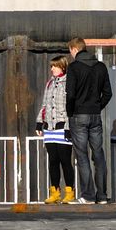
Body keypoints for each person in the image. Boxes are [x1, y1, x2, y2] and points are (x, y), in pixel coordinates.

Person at [65, 38, 112, 204]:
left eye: (70, 51)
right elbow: (108, 93)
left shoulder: (74, 67)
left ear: (74, 49)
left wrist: (70, 113)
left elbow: (70, 94)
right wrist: (97, 107)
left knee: (82, 155)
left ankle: (88, 195)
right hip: (95, 115)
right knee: (98, 154)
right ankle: (102, 196)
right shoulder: (101, 67)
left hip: (78, 115)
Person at [35, 55, 75, 204]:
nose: (52, 68)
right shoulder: (50, 84)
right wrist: (39, 123)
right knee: (53, 161)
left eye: (54, 66)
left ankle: (69, 191)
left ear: (62, 67)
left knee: (65, 160)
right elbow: (44, 105)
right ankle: (55, 191)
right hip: (49, 127)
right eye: (51, 66)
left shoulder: (68, 83)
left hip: (62, 126)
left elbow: (71, 107)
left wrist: (69, 127)